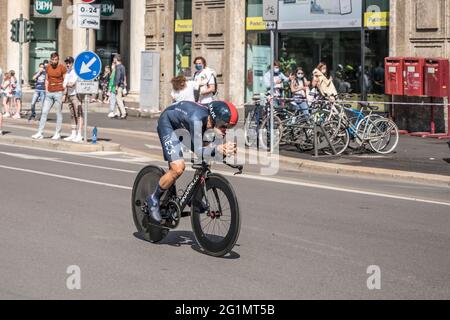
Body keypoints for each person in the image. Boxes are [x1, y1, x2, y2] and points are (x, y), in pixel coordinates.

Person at [145, 100, 239, 226]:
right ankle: (153, 198)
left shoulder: (212, 121)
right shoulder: (197, 119)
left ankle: (193, 197)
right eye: (224, 126)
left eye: (229, 127)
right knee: (178, 168)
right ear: (215, 119)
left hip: (185, 127)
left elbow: (211, 152)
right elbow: (200, 150)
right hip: (169, 124)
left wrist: (224, 151)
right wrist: (218, 149)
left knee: (206, 159)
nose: (225, 130)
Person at [32, 52, 67, 140]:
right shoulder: (47, 67)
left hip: (59, 92)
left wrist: (64, 94)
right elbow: (47, 79)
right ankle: (40, 132)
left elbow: (65, 80)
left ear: (58, 59)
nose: (55, 61)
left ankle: (57, 133)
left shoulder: (62, 67)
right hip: (49, 93)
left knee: (58, 113)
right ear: (51, 59)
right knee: (44, 112)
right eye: (53, 59)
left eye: (56, 59)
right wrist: (47, 90)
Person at [63, 56, 83, 143]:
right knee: (72, 114)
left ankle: (79, 134)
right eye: (66, 63)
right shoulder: (67, 72)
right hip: (70, 95)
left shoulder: (75, 72)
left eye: (69, 63)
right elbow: (65, 85)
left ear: (72, 63)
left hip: (76, 95)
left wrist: (67, 84)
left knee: (79, 114)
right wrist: (65, 93)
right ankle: (73, 133)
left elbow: (72, 84)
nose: (67, 64)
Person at [113, 54, 127, 119]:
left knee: (118, 100)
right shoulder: (123, 66)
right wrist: (125, 82)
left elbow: (118, 77)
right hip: (121, 85)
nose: (113, 60)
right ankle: (118, 113)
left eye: (114, 59)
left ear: (116, 59)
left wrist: (116, 86)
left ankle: (123, 113)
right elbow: (124, 76)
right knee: (117, 99)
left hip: (118, 85)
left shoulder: (118, 67)